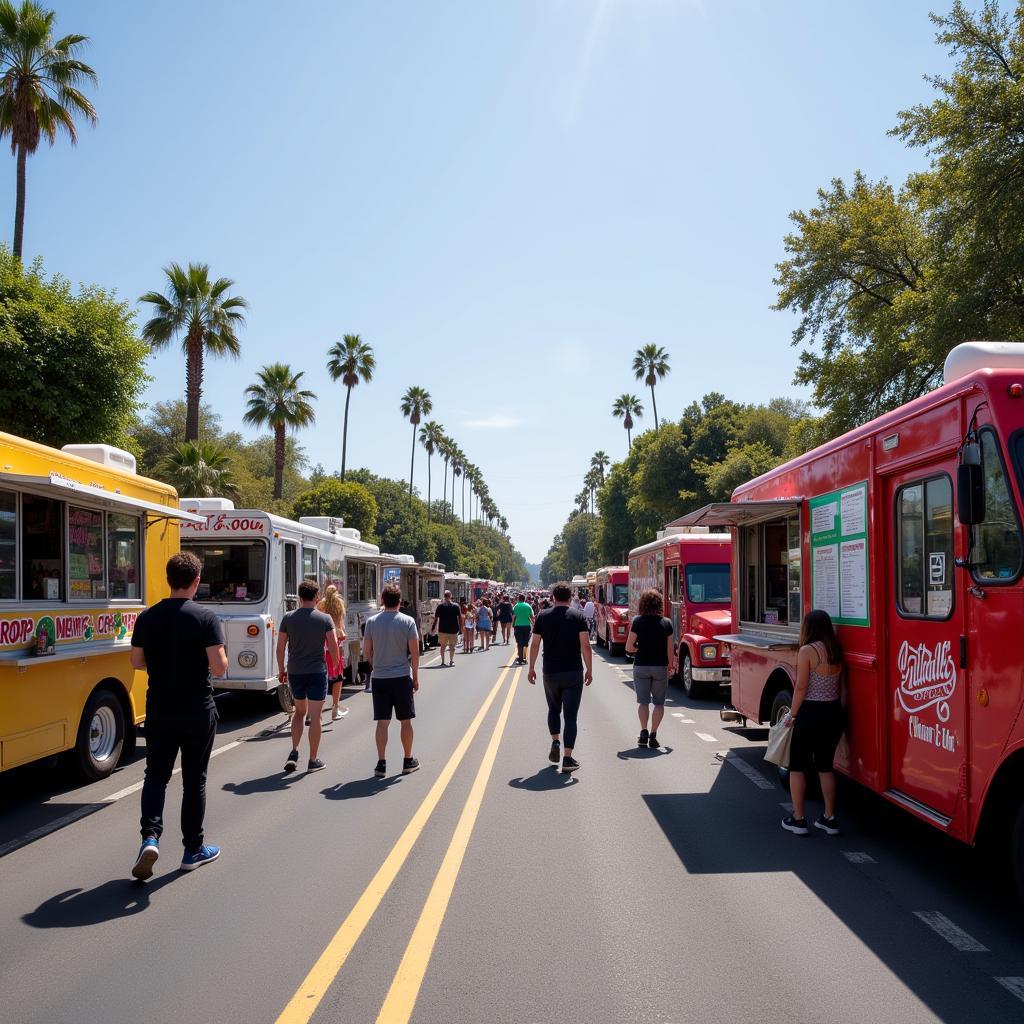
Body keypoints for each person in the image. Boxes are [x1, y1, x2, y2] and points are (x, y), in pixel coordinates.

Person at [129, 552, 227, 879]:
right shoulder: (205, 618)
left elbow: (136, 661)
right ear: (196, 581)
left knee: (156, 776)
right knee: (193, 780)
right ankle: (193, 849)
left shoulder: (147, 618)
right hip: (197, 710)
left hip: (159, 708)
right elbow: (218, 666)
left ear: (169, 579)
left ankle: (150, 838)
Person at [782, 609, 846, 836]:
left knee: (797, 765)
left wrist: (792, 715)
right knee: (825, 765)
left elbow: (801, 687)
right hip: (833, 712)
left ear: (808, 628)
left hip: (810, 712)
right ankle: (829, 817)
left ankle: (798, 819)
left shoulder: (807, 650)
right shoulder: (835, 649)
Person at [528, 581, 593, 774]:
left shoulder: (543, 616)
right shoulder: (578, 616)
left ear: (553, 597)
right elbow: (586, 645)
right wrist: (589, 669)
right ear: (570, 596)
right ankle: (567, 757)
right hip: (573, 671)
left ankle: (555, 741)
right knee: (571, 716)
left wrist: (531, 668)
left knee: (553, 710)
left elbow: (535, 644)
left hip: (550, 671)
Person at [277, 579, 341, 773]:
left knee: (298, 713)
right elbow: (333, 646)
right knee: (315, 717)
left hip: (295, 671)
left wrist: (281, 669)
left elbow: (280, 648)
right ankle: (313, 760)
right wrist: (336, 666)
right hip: (317, 671)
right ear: (316, 597)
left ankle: (295, 751)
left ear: (299, 597)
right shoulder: (325, 619)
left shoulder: (288, 618)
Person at [364, 584, 421, 778]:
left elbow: (366, 652)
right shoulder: (408, 621)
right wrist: (415, 676)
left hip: (380, 677)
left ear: (382, 600)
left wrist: (375, 666)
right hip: (401, 676)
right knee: (406, 722)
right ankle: (407, 760)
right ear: (399, 602)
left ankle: (381, 763)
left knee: (382, 723)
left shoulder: (371, 622)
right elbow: (414, 652)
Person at [624, 588, 676, 749]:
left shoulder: (638, 622)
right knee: (659, 703)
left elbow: (629, 647)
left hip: (641, 666)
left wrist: (640, 649)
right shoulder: (666, 623)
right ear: (659, 604)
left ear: (642, 604)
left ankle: (643, 732)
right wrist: (671, 666)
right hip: (660, 667)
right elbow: (670, 650)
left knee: (643, 702)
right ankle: (654, 734)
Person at [317, 584, 349, 721]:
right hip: (335, 640)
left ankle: (316, 712)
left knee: (320, 678)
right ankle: (335, 708)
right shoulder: (339, 603)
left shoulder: (321, 604)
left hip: (322, 641)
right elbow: (340, 622)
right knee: (338, 677)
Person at [431, 590, 463, 667]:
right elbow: (460, 618)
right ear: (450, 596)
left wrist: (433, 628)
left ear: (444, 597)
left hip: (442, 630)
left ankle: (442, 662)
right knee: (452, 647)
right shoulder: (456, 606)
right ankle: (451, 661)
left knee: (443, 646)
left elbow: (435, 619)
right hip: (453, 630)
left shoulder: (440, 607)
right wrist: (461, 628)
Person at [512, 593, 534, 664]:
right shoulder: (528, 606)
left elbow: (514, 617)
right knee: (525, 642)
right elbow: (532, 616)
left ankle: (520, 658)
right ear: (525, 599)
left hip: (518, 626)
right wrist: (533, 624)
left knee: (519, 642)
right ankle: (524, 658)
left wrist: (513, 624)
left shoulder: (516, 606)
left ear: (519, 599)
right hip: (527, 626)